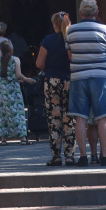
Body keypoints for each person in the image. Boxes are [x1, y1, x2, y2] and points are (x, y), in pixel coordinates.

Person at [66, 0, 106, 166]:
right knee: (102, 118)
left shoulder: (70, 30)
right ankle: (104, 155)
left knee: (80, 118)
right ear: (97, 12)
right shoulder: (104, 29)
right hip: (100, 78)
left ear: (80, 13)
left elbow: (70, 56)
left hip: (78, 77)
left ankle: (82, 157)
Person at [36, 11, 75, 166]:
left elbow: (39, 64)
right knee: (70, 119)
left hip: (52, 80)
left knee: (54, 119)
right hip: (70, 80)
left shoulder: (48, 40)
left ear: (54, 24)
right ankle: (70, 155)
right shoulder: (72, 39)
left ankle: (56, 156)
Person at [0, 39, 36, 144]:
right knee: (18, 112)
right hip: (13, 89)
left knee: (4, 113)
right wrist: (27, 79)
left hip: (2, 89)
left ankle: (4, 138)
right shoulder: (15, 59)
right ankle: (22, 138)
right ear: (11, 49)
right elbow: (18, 74)